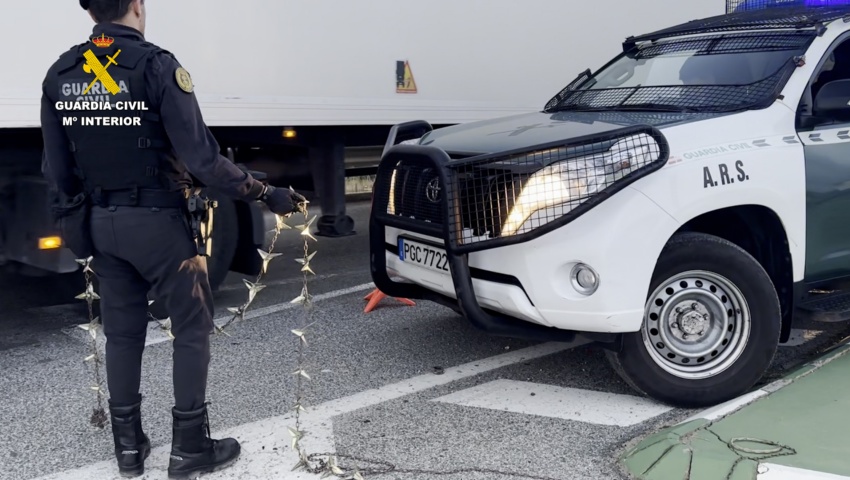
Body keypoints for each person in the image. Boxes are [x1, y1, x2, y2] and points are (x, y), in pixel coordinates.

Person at [40, 0, 305, 478]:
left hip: (101, 224)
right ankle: (189, 448)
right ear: (137, 6)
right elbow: (203, 161)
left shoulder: (61, 73)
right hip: (160, 225)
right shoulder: (158, 65)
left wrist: (84, 219)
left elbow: (56, 170)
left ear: (91, 13)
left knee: (122, 334)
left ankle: (128, 450)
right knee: (191, 327)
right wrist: (265, 193)